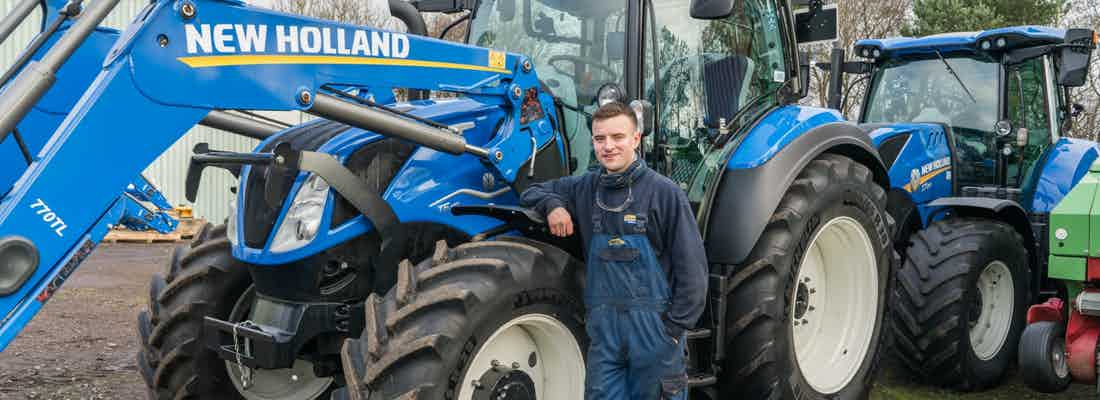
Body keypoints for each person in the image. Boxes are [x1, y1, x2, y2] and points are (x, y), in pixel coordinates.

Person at [520, 101, 707, 399]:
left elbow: (694, 273)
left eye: (617, 137)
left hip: (654, 335)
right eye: (599, 138)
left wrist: (671, 331)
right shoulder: (585, 187)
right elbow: (532, 192)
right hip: (604, 337)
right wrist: (554, 206)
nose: (608, 146)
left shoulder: (664, 193)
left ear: (636, 138)